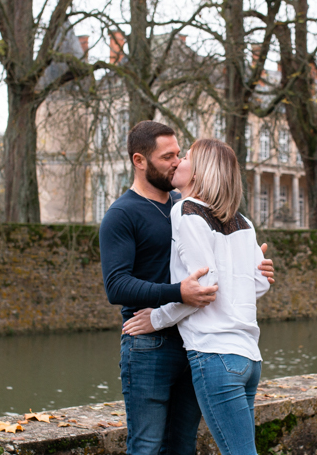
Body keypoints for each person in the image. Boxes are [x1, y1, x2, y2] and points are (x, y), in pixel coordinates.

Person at [99, 121, 274, 455]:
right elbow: (116, 286)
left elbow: (216, 275)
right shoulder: (122, 214)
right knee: (148, 445)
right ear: (140, 161)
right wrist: (177, 293)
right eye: (168, 157)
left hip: (195, 343)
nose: (177, 162)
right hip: (150, 343)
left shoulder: (195, 206)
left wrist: (251, 269)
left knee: (183, 445)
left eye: (180, 154)